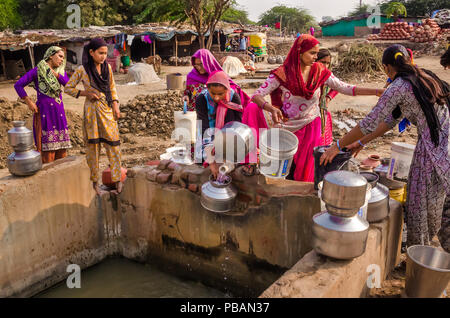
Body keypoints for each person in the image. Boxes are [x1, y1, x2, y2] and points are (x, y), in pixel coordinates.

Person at [320, 45, 450, 252]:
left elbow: (369, 122)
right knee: (441, 205)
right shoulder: (424, 76)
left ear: (387, 68)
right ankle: (431, 257)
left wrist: (337, 146)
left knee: (420, 206)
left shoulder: (399, 86)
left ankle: (419, 258)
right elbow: (391, 120)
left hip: (433, 153)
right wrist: (360, 143)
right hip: (445, 148)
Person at [250, 35, 384, 182]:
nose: (316, 57)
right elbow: (257, 95)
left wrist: (375, 91)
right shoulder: (282, 73)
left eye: (316, 53)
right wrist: (270, 108)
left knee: (307, 167)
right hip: (286, 125)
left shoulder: (319, 72)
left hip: (311, 125)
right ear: (299, 52)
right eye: (312, 53)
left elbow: (345, 88)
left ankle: (302, 196)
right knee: (284, 166)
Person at [64, 38, 123, 195]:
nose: (104, 56)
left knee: (114, 146)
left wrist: (116, 106)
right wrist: (86, 93)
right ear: (91, 53)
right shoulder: (82, 70)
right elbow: (68, 88)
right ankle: (95, 183)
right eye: (100, 53)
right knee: (93, 149)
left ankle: (118, 180)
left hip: (107, 110)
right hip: (91, 112)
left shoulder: (107, 69)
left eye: (105, 53)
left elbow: (112, 87)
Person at [14, 46, 71, 163]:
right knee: (47, 150)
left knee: (62, 150)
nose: (62, 60)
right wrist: (28, 102)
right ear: (51, 55)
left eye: (63, 58)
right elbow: (18, 85)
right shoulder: (38, 70)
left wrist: (57, 75)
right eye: (60, 56)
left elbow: (68, 85)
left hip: (59, 112)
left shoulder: (60, 71)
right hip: (45, 112)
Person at [196, 71, 243, 179]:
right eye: (213, 93)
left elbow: (236, 126)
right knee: (202, 160)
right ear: (208, 89)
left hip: (228, 134)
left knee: (233, 160)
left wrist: (227, 151)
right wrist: (211, 161)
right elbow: (204, 128)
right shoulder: (202, 99)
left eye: (220, 94)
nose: (216, 98)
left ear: (227, 89)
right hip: (208, 133)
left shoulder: (234, 98)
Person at [183, 49, 251, 112]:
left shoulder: (218, 76)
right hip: (194, 114)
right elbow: (187, 92)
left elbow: (231, 89)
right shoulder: (192, 76)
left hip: (213, 115)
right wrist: (186, 96)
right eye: (196, 65)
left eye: (201, 64)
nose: (199, 68)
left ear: (208, 62)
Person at [316, 48, 339, 146]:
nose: (325, 66)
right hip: (309, 114)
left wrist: (328, 97)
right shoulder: (308, 74)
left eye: (327, 63)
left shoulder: (328, 75)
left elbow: (338, 86)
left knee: (322, 142)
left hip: (322, 111)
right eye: (322, 62)